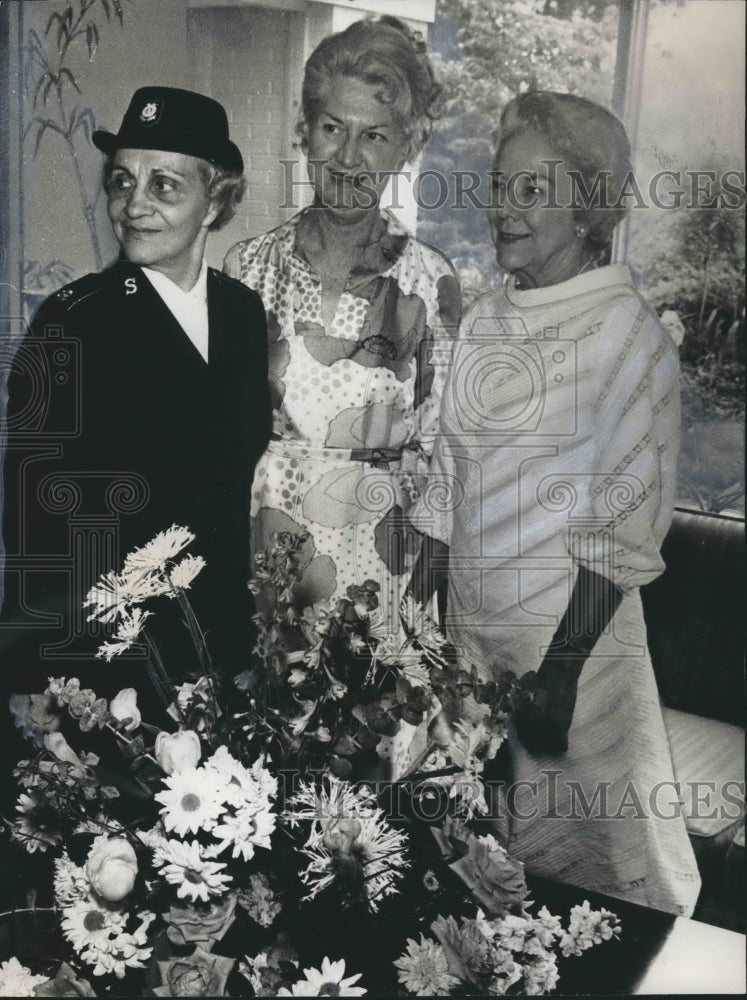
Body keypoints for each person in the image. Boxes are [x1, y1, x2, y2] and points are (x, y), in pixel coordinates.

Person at [408, 91, 701, 916]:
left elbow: (623, 523)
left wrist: (563, 670)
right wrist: (417, 627)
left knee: (591, 899)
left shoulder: (628, 336)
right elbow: (448, 479)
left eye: (532, 190)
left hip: (569, 665)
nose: (503, 207)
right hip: (469, 649)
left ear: (588, 207)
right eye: (499, 185)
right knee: (469, 880)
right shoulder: (485, 319)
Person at [0, 87, 271, 708]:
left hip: (220, 647)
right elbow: (34, 524)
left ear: (216, 201)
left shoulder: (241, 312)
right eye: (122, 182)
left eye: (163, 185)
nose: (134, 205)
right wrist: (49, 690)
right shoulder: (72, 321)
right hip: (107, 663)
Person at [224, 16, 461, 629]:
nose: (350, 157)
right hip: (266, 563)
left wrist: (418, 610)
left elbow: (442, 457)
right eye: (333, 128)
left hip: (382, 575)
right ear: (305, 131)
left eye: (374, 135)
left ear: (406, 148)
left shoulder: (431, 282)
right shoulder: (247, 268)